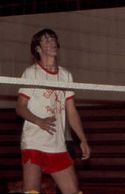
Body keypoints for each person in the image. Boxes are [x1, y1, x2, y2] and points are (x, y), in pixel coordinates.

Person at [16, 28, 90, 194]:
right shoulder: (31, 73)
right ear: (38, 48)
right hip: (33, 142)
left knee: (73, 191)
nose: (52, 42)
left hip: (57, 145)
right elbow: (20, 107)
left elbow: (71, 111)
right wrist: (39, 121)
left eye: (54, 39)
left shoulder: (65, 75)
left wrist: (82, 139)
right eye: (47, 40)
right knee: (32, 191)